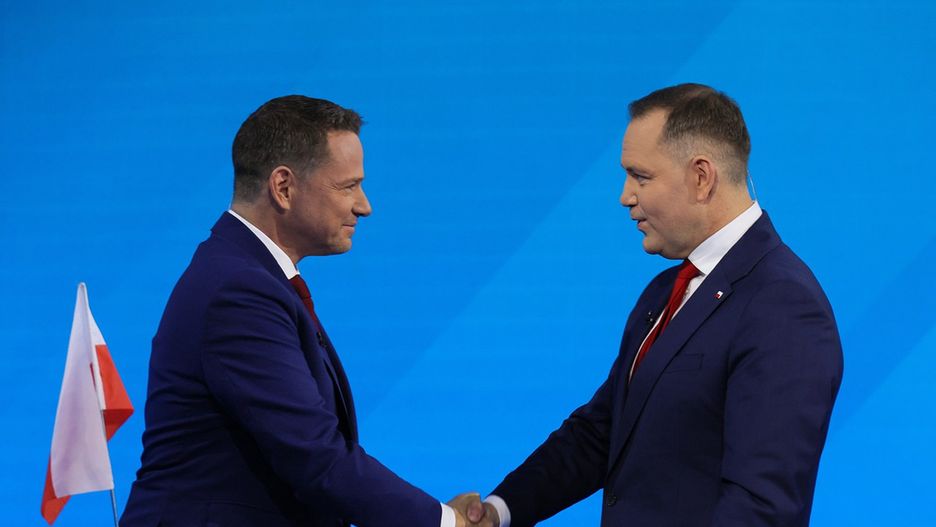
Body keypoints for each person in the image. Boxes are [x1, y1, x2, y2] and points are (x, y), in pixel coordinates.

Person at [457, 83, 844, 526]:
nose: (625, 196)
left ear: (701, 177)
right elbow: (603, 433)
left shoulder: (783, 305)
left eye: (640, 177)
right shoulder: (664, 291)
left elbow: (761, 508)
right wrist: (499, 511)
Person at [120, 95, 479, 527]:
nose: (364, 205)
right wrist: (447, 522)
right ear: (284, 187)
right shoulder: (239, 291)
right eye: (348, 186)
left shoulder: (247, 275)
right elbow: (316, 455)